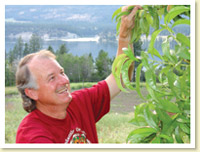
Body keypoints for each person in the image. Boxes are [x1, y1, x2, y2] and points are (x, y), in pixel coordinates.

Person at [15, 5, 142, 143]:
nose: (63, 81)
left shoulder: (79, 103)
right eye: (51, 78)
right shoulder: (33, 137)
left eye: (62, 72)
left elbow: (121, 79)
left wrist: (124, 35)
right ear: (32, 93)